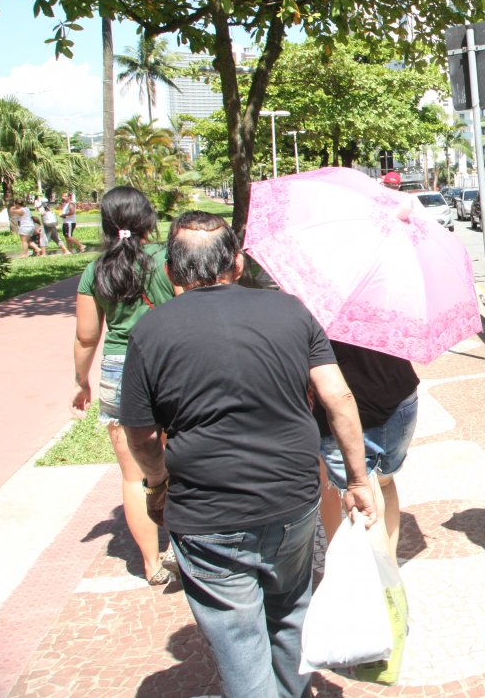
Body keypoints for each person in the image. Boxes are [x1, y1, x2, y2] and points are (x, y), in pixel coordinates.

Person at [120, 211, 377, 698]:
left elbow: (141, 436)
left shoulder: (149, 332)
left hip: (206, 514)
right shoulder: (291, 311)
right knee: (291, 611)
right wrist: (358, 480)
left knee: (239, 642)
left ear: (171, 272)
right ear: (237, 264)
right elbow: (339, 398)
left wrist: (157, 484)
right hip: (291, 500)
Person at [71, 186, 176, 584]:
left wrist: (81, 381)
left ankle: (151, 564)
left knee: (134, 475)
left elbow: (86, 337)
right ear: (148, 219)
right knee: (180, 458)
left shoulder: (95, 270)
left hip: (118, 368)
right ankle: (182, 549)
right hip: (168, 363)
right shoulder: (166, 259)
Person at [314, 340, 418, 558]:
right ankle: (389, 569)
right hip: (398, 393)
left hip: (344, 412)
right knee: (384, 482)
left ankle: (380, 572)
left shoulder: (311, 319)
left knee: (362, 498)